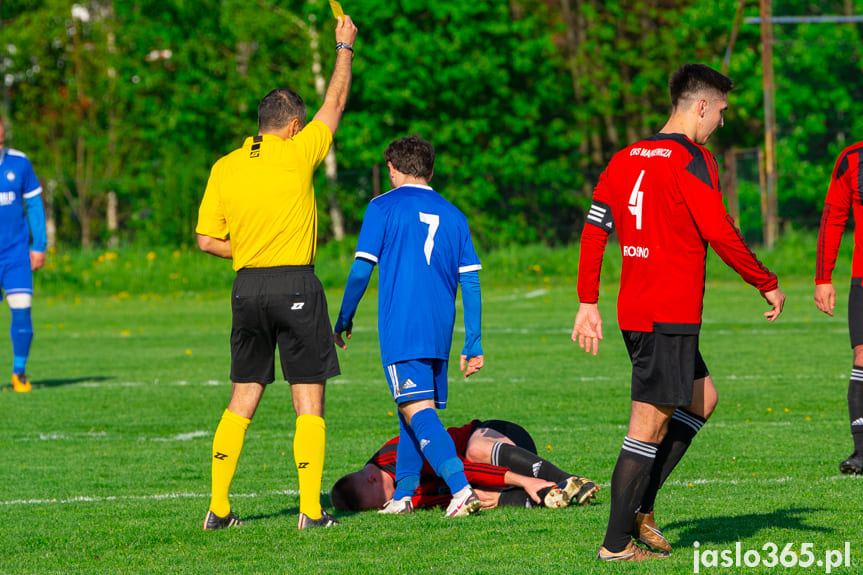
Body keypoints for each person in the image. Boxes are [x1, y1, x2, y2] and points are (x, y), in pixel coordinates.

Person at [571, 63, 786, 562]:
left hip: (638, 310)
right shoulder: (692, 159)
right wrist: (766, 282)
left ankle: (641, 510)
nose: (722, 124)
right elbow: (720, 229)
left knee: (700, 398)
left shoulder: (625, 156)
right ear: (702, 105)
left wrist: (588, 300)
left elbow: (594, 228)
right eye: (722, 112)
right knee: (645, 426)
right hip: (666, 315)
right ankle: (616, 544)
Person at [195, 15, 358, 531]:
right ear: (292, 126)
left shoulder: (225, 164)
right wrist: (343, 47)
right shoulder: (297, 152)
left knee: (242, 397)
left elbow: (205, 240)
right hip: (294, 283)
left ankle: (218, 509)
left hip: (246, 287)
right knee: (308, 399)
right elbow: (334, 104)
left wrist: (247, 247)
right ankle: (310, 510)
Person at [333, 135, 485, 518]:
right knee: (412, 409)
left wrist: (345, 317)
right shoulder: (454, 214)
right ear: (430, 170)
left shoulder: (382, 206)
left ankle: (461, 488)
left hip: (403, 328)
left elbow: (360, 269)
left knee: (418, 410)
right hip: (439, 330)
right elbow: (471, 281)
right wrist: (473, 341)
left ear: (392, 170)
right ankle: (403, 494)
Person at [330, 418, 599, 512]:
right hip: (489, 474)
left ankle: (569, 479)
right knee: (473, 496)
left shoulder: (397, 456)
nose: (392, 502)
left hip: (497, 438)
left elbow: (461, 469)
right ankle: (549, 497)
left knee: (474, 451)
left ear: (372, 479)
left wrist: (524, 480)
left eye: (384, 499)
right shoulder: (396, 493)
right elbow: (439, 496)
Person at [814, 140, 863, 476]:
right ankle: (861, 453)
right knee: (862, 357)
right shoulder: (852, 159)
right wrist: (823, 277)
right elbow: (834, 217)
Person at [0, 117, 47, 393]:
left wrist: (39, 245)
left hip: (16, 254)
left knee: (22, 310)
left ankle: (19, 372)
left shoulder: (19, 163)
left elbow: (35, 206)